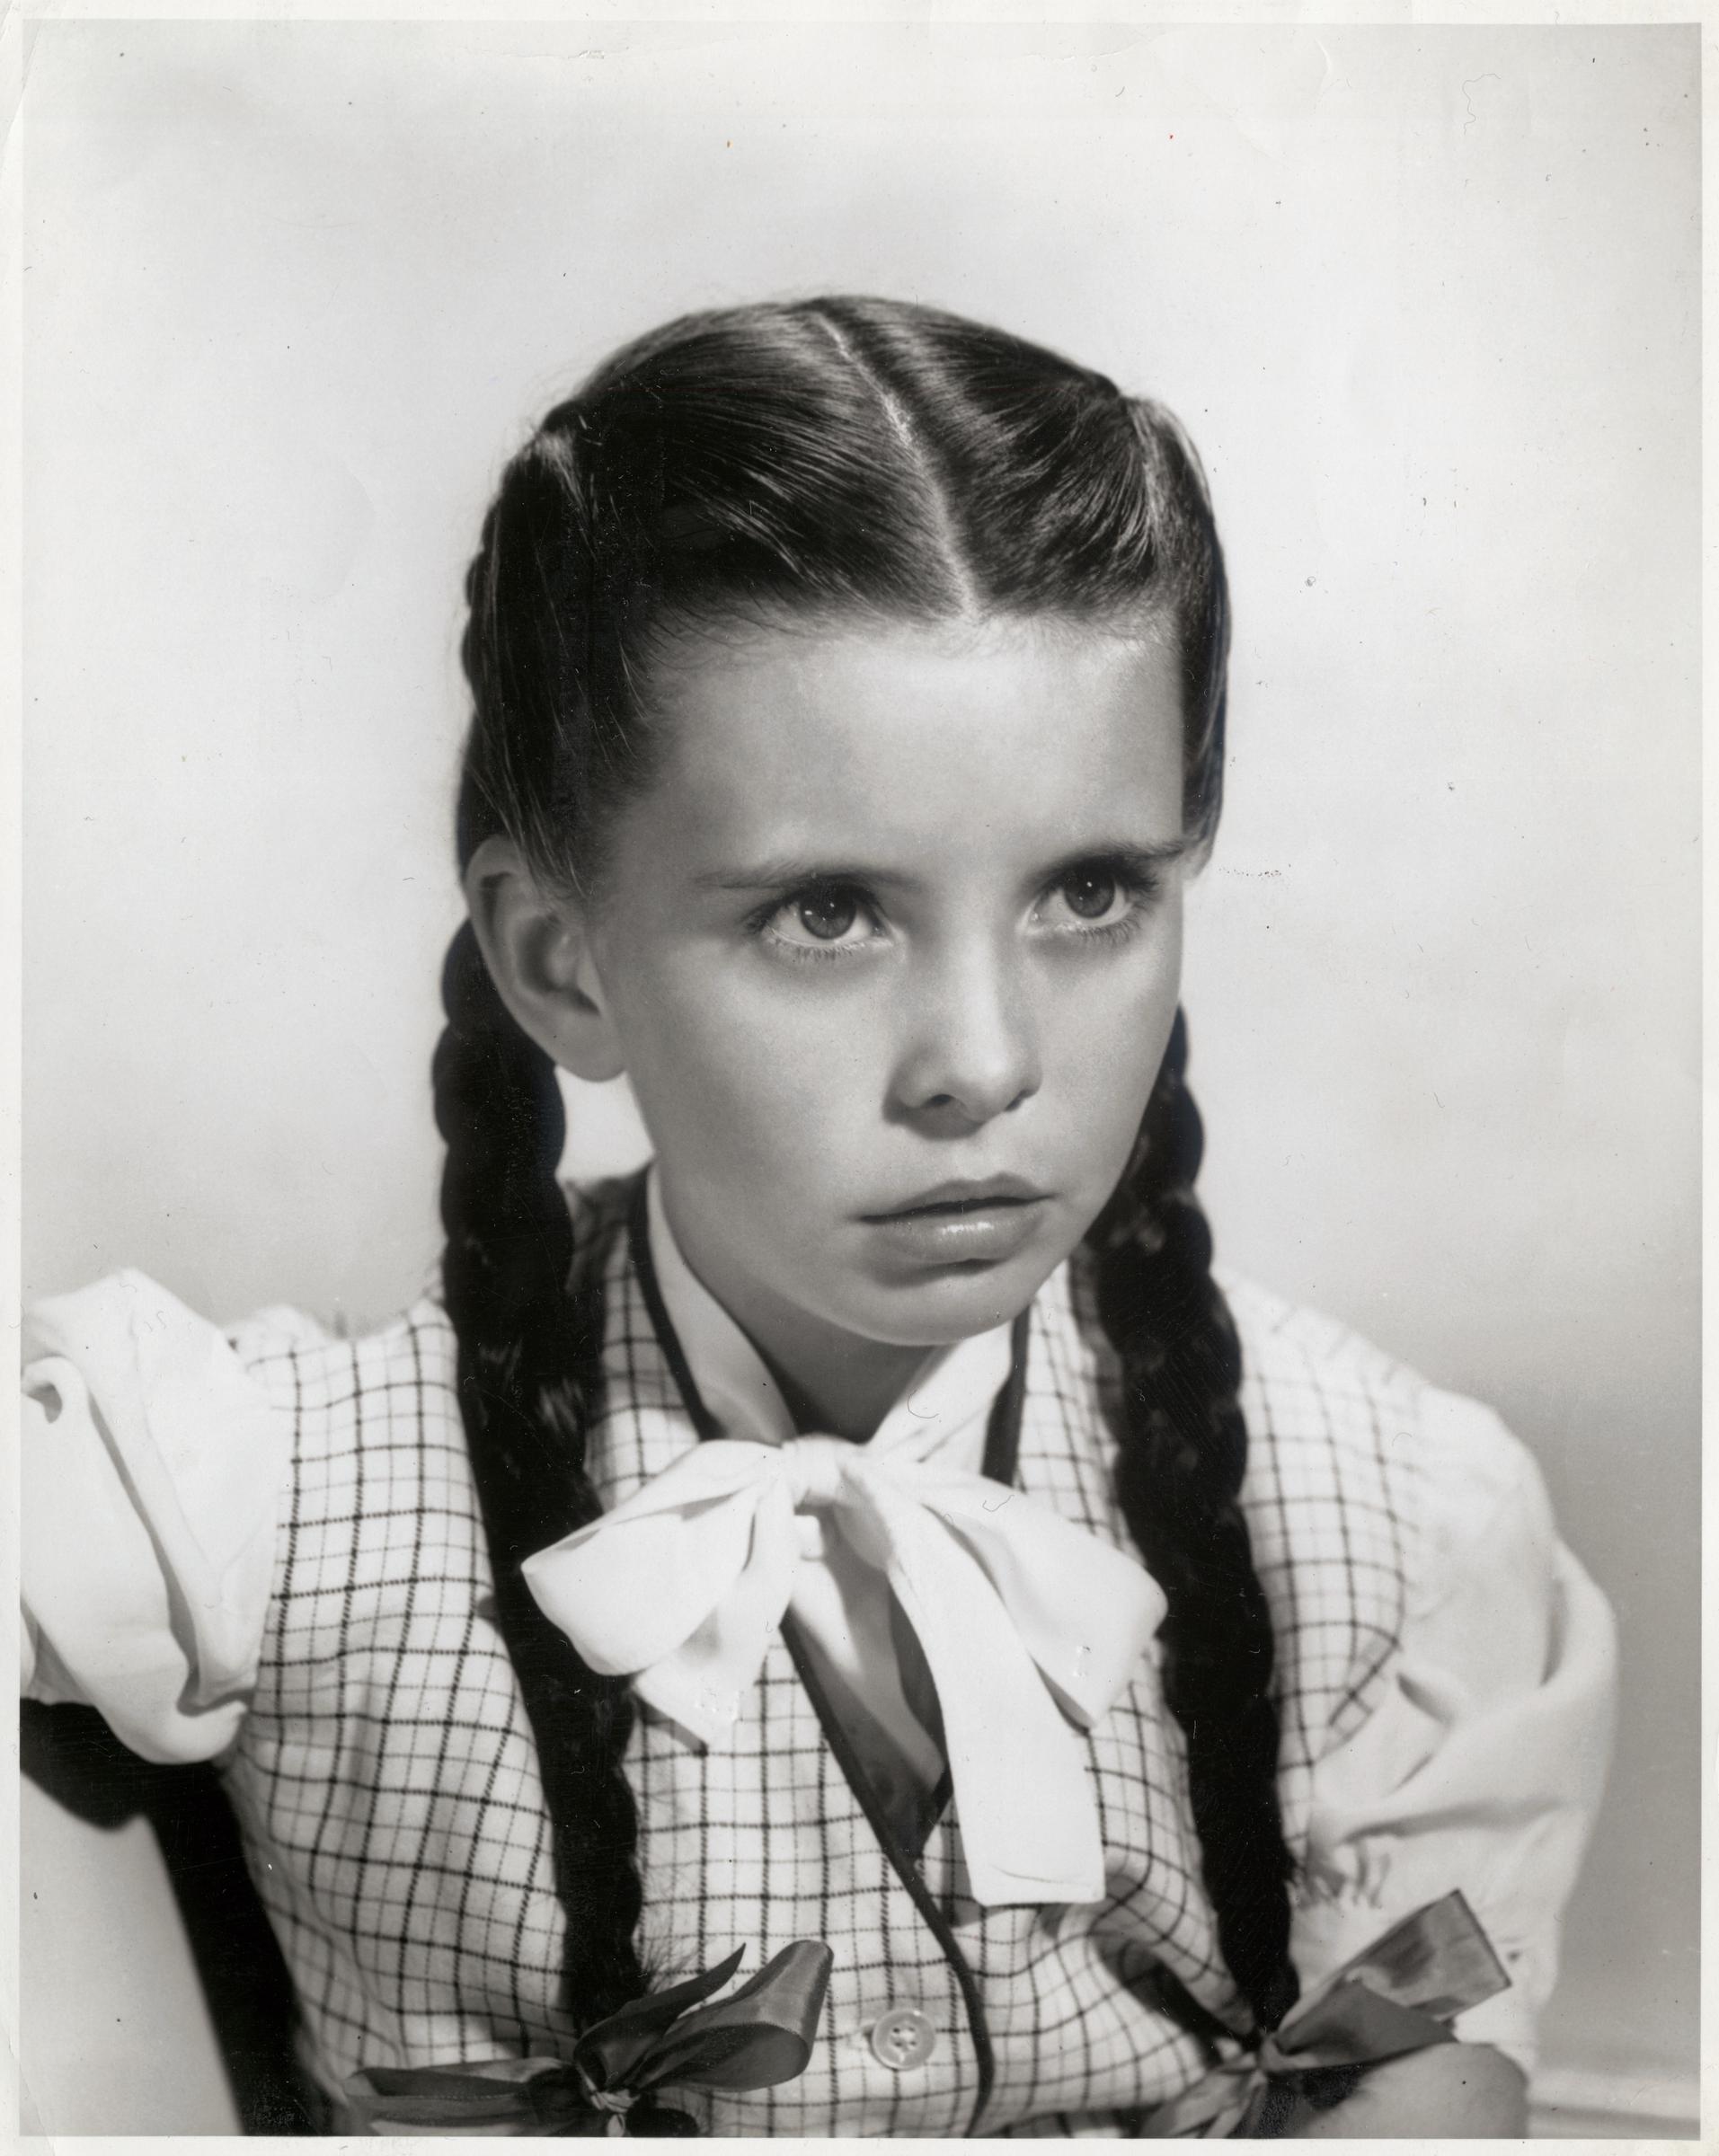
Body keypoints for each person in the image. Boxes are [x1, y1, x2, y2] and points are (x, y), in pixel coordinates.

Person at [22, 297, 1616, 2137]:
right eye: (828, 915)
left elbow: (1423, 2069)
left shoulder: (1389, 1517)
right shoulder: (240, 1496)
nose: (985, 1061)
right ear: (562, 960)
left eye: (1092, 892)